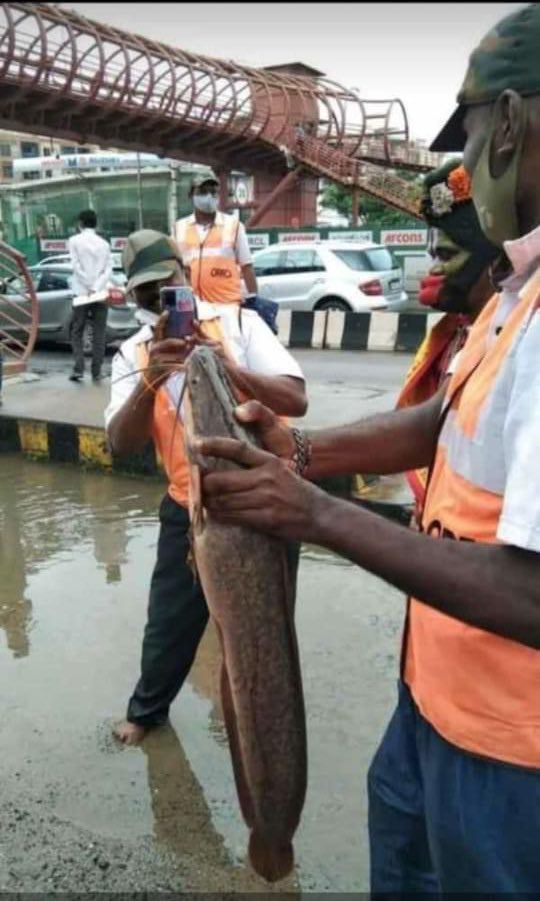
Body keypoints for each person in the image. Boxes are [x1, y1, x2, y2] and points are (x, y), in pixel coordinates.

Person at [196, 4, 540, 892]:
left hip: (512, 754)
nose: (460, 167)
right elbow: (442, 421)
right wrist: (303, 455)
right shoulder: (517, 288)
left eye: (465, 138)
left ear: (510, 123)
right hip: (433, 701)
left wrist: (313, 515)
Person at [106, 229, 307, 745]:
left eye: (165, 286)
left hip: (264, 500)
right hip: (189, 510)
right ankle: (147, 711)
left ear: (184, 274)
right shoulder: (132, 353)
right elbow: (119, 443)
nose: (158, 301)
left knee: (266, 624)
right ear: (134, 297)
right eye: (146, 294)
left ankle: (260, 721)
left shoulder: (240, 322)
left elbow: (294, 396)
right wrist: (152, 376)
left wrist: (227, 368)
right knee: (169, 621)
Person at [396, 158, 499, 511]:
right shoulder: (452, 333)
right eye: (434, 255)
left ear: (496, 262)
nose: (435, 269)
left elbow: (424, 431)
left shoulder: (514, 337)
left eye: (447, 255)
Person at [174, 171, 258, 305]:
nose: (208, 196)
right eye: (202, 192)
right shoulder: (179, 228)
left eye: (213, 192)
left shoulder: (234, 226)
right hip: (192, 308)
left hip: (227, 307)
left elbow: (247, 266)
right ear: (191, 195)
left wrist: (254, 299)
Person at [67, 209, 112, 383]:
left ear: (80, 223)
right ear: (96, 223)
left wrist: (87, 285)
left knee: (77, 330)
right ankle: (97, 371)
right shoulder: (104, 244)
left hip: (81, 292)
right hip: (100, 292)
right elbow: (108, 269)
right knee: (99, 332)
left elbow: (75, 266)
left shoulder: (74, 241)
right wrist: (96, 286)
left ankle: (78, 369)